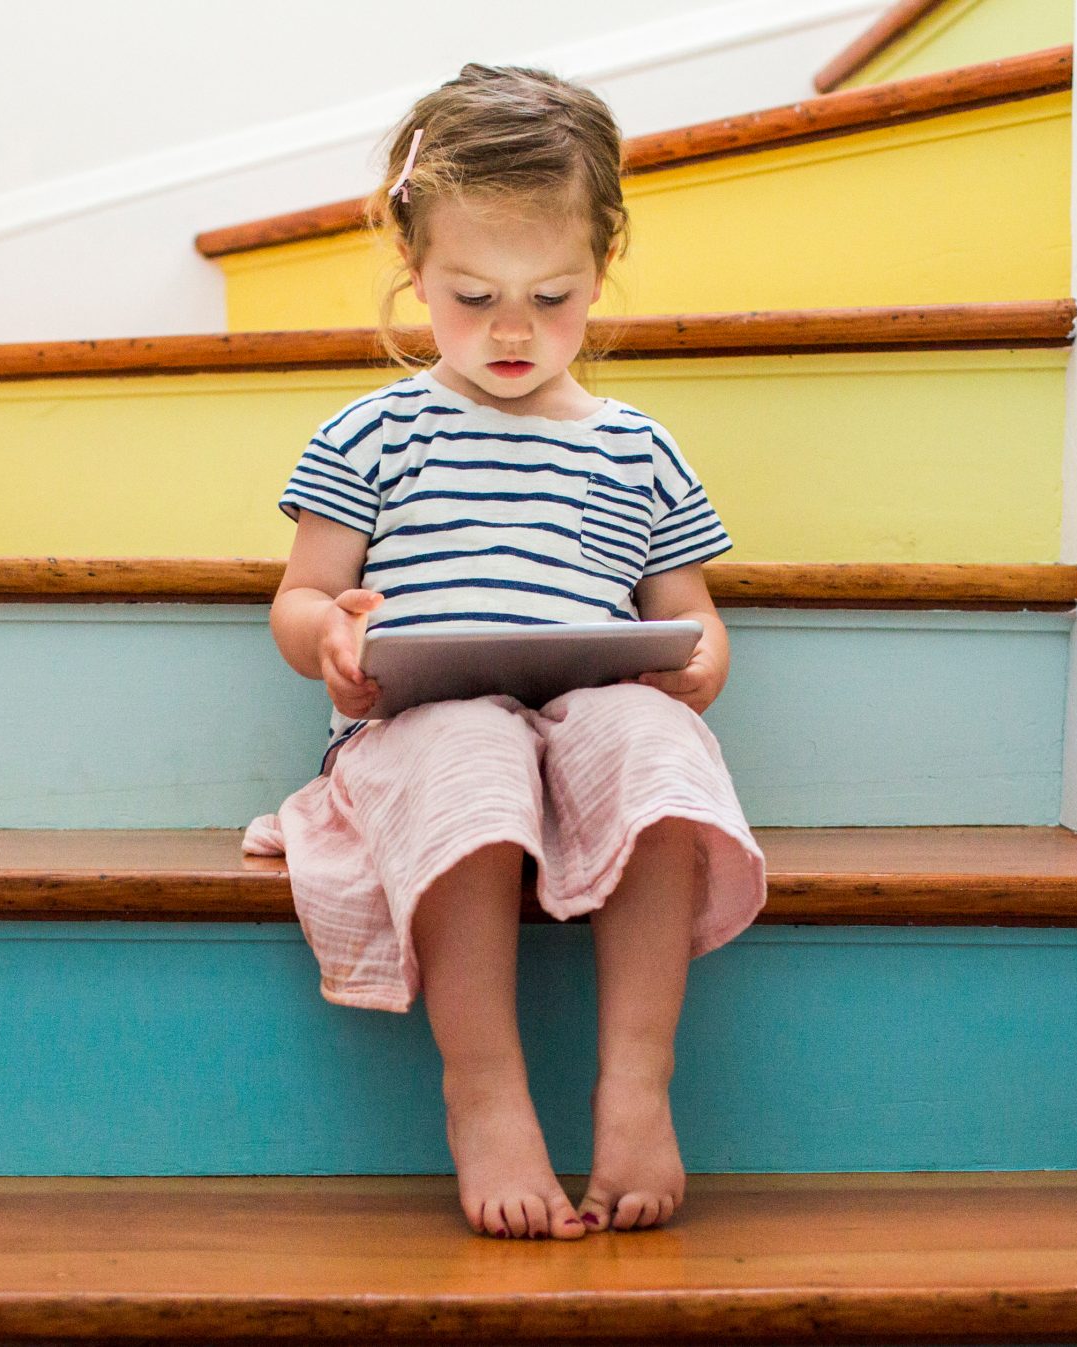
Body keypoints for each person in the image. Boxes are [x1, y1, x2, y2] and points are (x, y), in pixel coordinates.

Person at [243, 64, 766, 1241]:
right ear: (413, 272)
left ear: (603, 266)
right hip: (422, 726)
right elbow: (300, 596)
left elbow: (690, 610)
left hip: (583, 720)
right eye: (472, 297)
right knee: (473, 743)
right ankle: (483, 1089)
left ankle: (636, 1084)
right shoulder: (373, 430)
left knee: (653, 735)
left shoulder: (636, 447)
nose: (514, 330)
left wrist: (700, 665)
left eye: (553, 294)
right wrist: (326, 634)